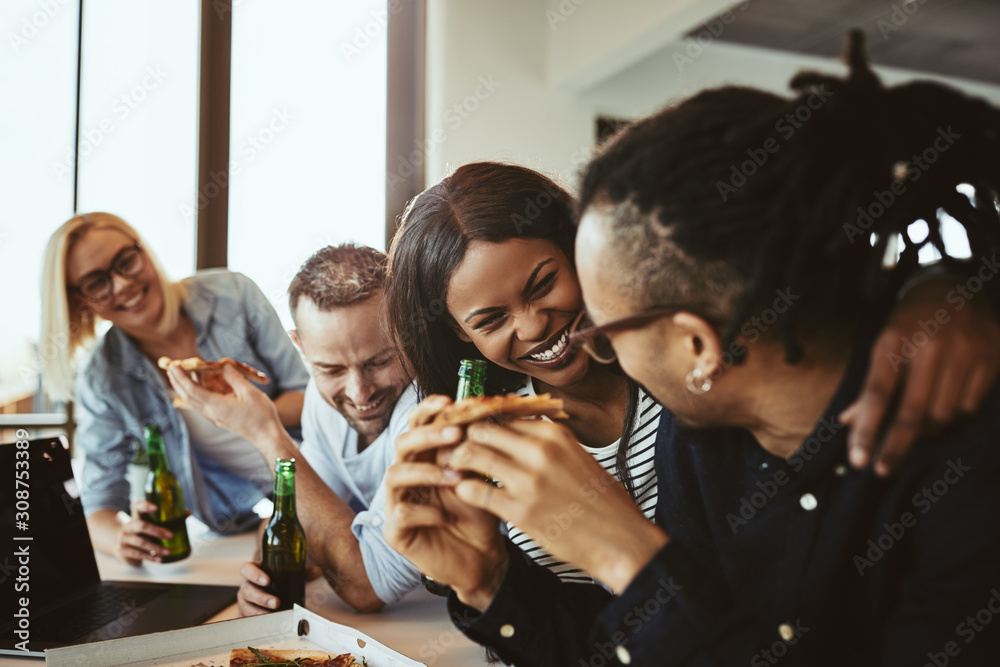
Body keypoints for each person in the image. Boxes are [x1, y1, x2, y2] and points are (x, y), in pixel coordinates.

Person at [382, 35, 1000, 666]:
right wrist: (488, 581)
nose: (579, 337)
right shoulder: (703, 444)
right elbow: (647, 644)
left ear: (696, 343)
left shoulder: (964, 474)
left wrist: (623, 549)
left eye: (607, 324)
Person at [384, 162, 662, 582]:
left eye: (542, 285)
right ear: (459, 332)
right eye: (491, 320)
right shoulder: (481, 441)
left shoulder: (678, 370)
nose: (533, 327)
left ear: (574, 248)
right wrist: (485, 582)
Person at [40, 212, 309, 566]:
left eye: (126, 262)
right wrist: (121, 537)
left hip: (326, 467)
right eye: (96, 283)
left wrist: (241, 410)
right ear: (81, 302)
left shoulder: (233, 295)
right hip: (254, 521)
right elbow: (98, 501)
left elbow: (308, 397)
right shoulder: (103, 379)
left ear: (144, 251)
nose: (122, 284)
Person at [168, 244, 420, 613]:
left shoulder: (431, 411)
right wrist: (265, 575)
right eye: (331, 370)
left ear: (407, 330)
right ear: (300, 346)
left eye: (379, 361)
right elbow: (301, 512)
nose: (359, 392)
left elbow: (367, 585)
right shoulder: (321, 401)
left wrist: (265, 433)